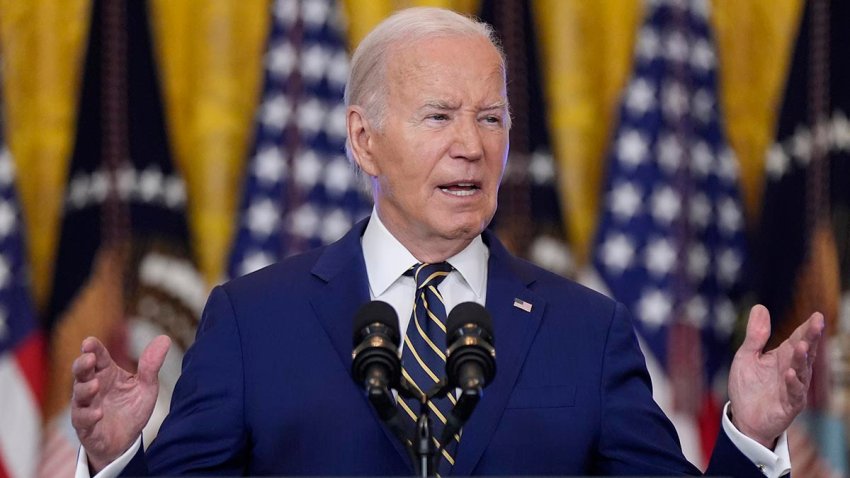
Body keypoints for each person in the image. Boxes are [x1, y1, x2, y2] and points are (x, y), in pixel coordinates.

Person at [71, 7, 824, 477]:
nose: (471, 146)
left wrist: (750, 437)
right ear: (363, 141)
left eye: (490, 118)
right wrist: (115, 461)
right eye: (438, 117)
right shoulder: (251, 321)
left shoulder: (586, 332)